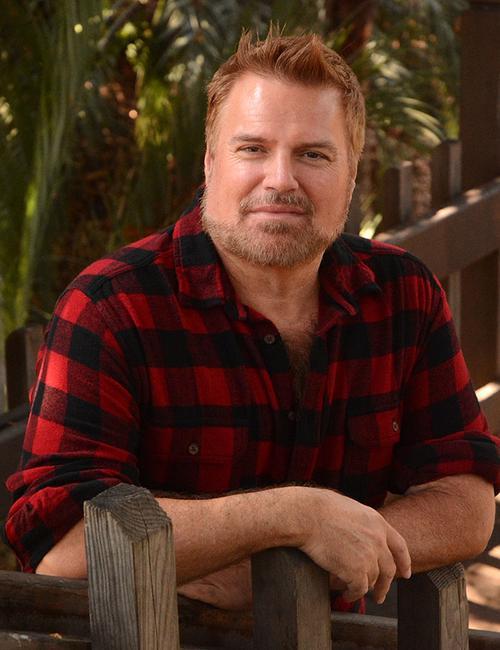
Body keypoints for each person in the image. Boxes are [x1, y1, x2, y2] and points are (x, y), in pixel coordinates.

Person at [4, 31, 499, 613]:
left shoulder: (403, 295)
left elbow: (466, 499)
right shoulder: (110, 309)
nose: (281, 179)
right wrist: (293, 517)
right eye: (252, 149)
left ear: (351, 174)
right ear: (211, 163)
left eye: (313, 155)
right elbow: (63, 548)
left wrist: (301, 564)